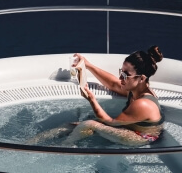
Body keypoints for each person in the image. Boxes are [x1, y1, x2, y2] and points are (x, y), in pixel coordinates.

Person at [28, 46, 165, 147]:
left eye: (125, 75)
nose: (120, 78)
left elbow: (111, 121)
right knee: (70, 125)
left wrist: (91, 99)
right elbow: (112, 84)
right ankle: (29, 144)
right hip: (131, 127)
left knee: (89, 124)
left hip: (140, 137)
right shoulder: (135, 89)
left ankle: (63, 147)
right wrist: (87, 65)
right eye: (121, 72)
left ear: (141, 78)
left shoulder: (143, 104)